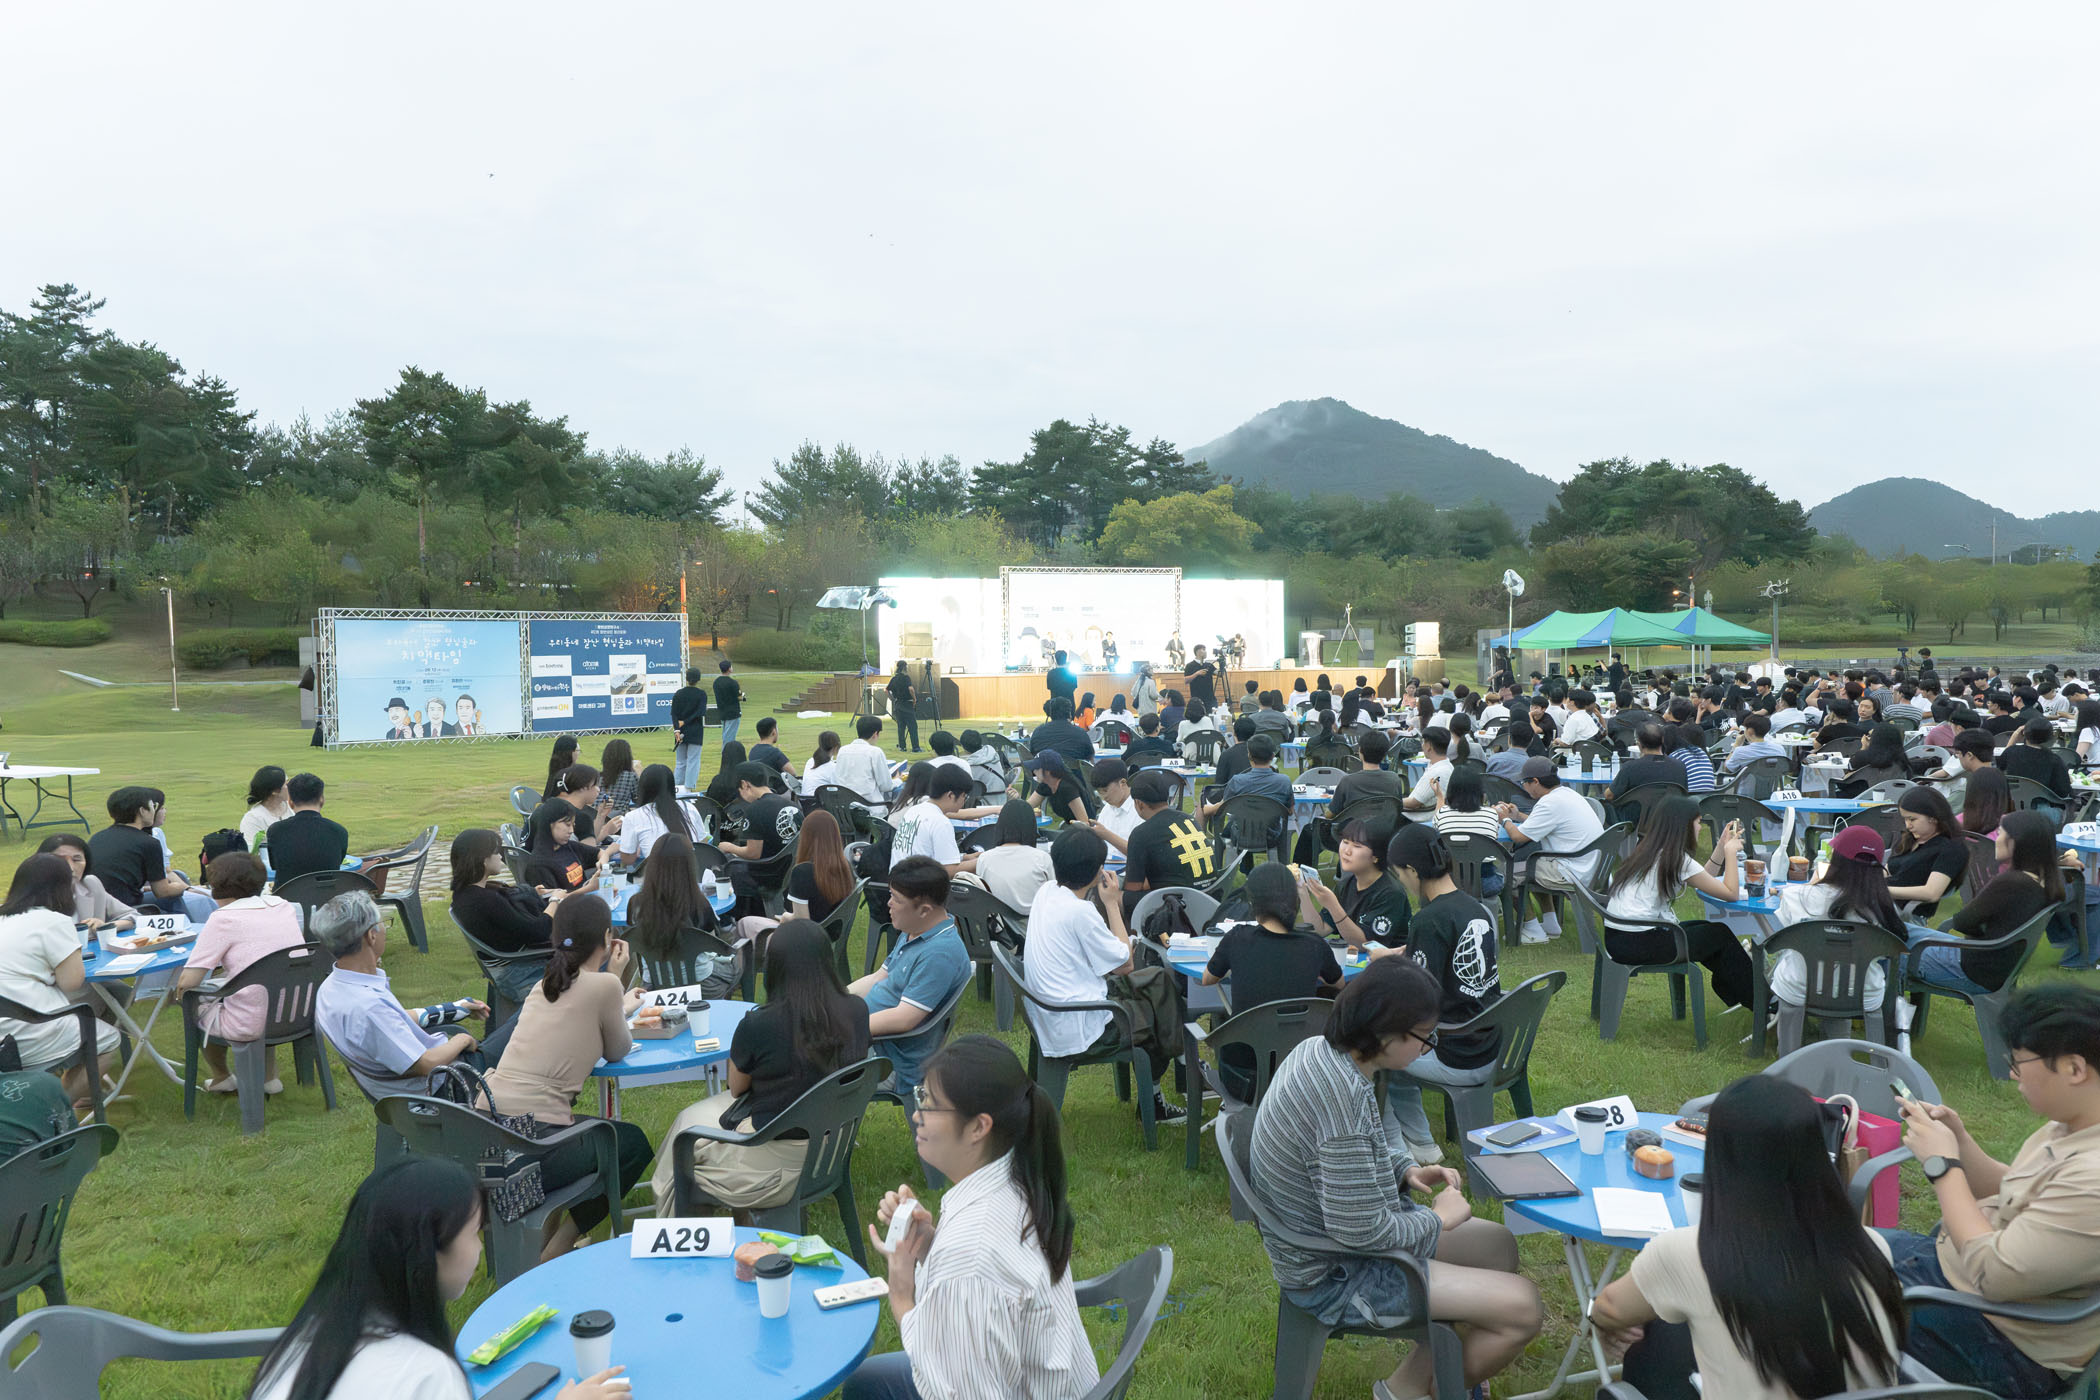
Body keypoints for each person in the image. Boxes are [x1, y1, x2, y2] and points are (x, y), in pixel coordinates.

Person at [1249, 957, 1541, 1397]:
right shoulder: (1340, 1096)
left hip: (1344, 1247)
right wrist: (1437, 1219)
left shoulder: (1324, 1051)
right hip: (1337, 1274)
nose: (1429, 1048)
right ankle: (1407, 1390)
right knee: (1524, 1309)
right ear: (1386, 1033)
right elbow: (1361, 1232)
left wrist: (1404, 1168)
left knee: (1498, 1245)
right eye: (1425, 1037)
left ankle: (1438, 1363)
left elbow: (1352, 1151)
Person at [1591, 1075, 1905, 1400]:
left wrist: (1598, 1318)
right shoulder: (1872, 1246)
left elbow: (1610, 1308)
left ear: (1721, 1157)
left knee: (1654, 1339)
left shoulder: (1690, 1253)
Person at [250, 1157, 630, 1400]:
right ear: (428, 1251)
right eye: (475, 1233)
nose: (479, 1249)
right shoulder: (426, 1375)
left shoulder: (305, 1342)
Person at [846, 1035, 1096, 1400]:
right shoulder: (1016, 1183)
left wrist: (901, 1297)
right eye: (920, 1096)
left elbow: (962, 1390)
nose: (916, 1115)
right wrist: (930, 1244)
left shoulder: (970, 1253)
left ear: (979, 1127)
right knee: (867, 1381)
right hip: (1043, 1381)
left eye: (930, 1105)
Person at [1882, 983, 2100, 1397]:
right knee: (1817, 1250)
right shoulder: (2075, 1123)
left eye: (2019, 1061)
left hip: (2000, 1339)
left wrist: (1943, 1166)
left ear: (2074, 1069)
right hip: (1954, 1276)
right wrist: (1960, 1142)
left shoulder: (2093, 1180)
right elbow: (2017, 1189)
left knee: (1800, 1300)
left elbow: (1992, 1274)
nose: (2013, 1074)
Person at [651, 918, 872, 1218]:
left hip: (775, 1161)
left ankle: (673, 1232)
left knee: (683, 1158)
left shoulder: (759, 1024)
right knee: (687, 1123)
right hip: (832, 1147)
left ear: (774, 967)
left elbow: (737, 1088)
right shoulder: (857, 1011)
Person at [482, 894, 653, 1259]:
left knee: (586, 1132)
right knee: (630, 1145)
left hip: (486, 1131)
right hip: (534, 1142)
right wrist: (616, 978)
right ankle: (556, 1251)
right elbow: (618, 1049)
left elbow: (584, 1008)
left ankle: (531, 1244)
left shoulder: (543, 985)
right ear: (607, 938)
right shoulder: (605, 985)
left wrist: (618, 1002)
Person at [1022, 827, 1185, 1124]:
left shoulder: (1047, 893)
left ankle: (1181, 1058)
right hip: (1079, 1024)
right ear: (1098, 871)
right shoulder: (1078, 912)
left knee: (1157, 980)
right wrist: (1112, 903)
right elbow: (1125, 964)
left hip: (1052, 1010)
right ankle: (1159, 1094)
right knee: (1157, 1015)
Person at [1380, 825, 1503, 1166]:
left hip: (1457, 1053)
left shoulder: (1428, 920)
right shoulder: (1476, 908)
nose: (1402, 882)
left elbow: (1417, 1002)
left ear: (1412, 871)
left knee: (1371, 1051)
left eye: (1399, 873)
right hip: (1490, 1041)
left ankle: (1398, 1148)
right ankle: (1421, 1142)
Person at [312, 891, 509, 1095]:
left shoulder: (331, 989)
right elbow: (426, 1064)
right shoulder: (368, 1007)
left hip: (420, 1085)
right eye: (382, 923)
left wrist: (455, 1008)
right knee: (529, 1013)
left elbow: (393, 1022)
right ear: (371, 936)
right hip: (450, 1085)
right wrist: (462, 1040)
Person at [1200, 861, 1343, 1099]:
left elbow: (1207, 979)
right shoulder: (1315, 945)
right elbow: (1339, 984)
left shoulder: (1237, 938)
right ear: (1295, 901)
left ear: (1252, 903)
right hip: (1299, 1075)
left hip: (1243, 1078)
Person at [1602, 797, 1756, 1010]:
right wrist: (1731, 853)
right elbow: (1731, 894)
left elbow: (1704, 880)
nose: (1700, 828)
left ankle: (1744, 993)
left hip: (1619, 937)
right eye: (1698, 822)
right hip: (1638, 941)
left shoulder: (1650, 850)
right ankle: (1763, 1002)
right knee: (1719, 935)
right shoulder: (1675, 858)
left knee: (1709, 930)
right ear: (1684, 825)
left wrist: (1721, 848)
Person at [175, 852, 306, 1095]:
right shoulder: (281, 906)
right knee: (260, 989)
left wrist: (177, 995)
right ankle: (268, 1078)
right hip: (299, 1009)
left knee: (195, 1002)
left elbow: (189, 981)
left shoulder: (223, 918)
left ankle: (221, 1076)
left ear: (216, 886)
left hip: (252, 1020)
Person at [0, 854, 120, 1110]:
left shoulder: (3, 918)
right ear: (63, 888)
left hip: (8, 1025)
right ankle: (52, 1112)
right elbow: (72, 982)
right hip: (23, 1031)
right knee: (108, 1039)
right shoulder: (55, 921)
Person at [848, 857, 971, 1098]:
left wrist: (841, 1028)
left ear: (924, 910)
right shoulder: (915, 930)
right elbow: (878, 977)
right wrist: (831, 1002)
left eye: (896, 898)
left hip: (888, 1059)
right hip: (868, 1041)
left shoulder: (940, 954)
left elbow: (905, 1018)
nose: (889, 903)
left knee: (791, 1065)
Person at [1911, 811, 2065, 996]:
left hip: (1969, 969)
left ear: (2015, 842)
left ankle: (1887, 1009)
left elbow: (1962, 922)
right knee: (1902, 930)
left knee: (1889, 952)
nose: (1996, 840)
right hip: (1990, 967)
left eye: (2000, 834)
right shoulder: (2046, 882)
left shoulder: (2011, 882)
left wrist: (1979, 934)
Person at [1767, 825, 1906, 1018]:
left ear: (1836, 858)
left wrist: (1811, 886)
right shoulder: (1885, 909)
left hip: (1800, 988)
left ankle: (1787, 1035)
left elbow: (1785, 933)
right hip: (1863, 993)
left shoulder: (1797, 897)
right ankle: (1839, 1035)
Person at [1494, 756, 1605, 945]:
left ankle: (1532, 930)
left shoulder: (1549, 803)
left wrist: (1504, 819)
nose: (1523, 787)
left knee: (1506, 874)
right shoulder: (1566, 794)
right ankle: (1550, 923)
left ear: (1535, 782)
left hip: (1571, 871)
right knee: (1532, 865)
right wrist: (1517, 815)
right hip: (1589, 866)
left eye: (1524, 782)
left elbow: (1518, 837)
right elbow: (1543, 823)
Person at [448, 827, 559, 1001]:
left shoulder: (464, 894)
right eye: (496, 852)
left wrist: (533, 894)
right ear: (483, 860)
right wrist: (555, 901)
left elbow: (508, 918)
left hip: (507, 967)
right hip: (519, 973)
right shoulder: (485, 900)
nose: (500, 856)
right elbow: (539, 931)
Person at [629, 832, 738, 998]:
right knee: (740, 958)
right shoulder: (699, 903)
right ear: (689, 865)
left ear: (652, 864)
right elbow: (714, 944)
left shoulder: (636, 904)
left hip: (654, 986)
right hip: (702, 985)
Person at [1118, 770, 1218, 918]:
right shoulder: (1189, 820)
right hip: (1210, 898)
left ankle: (1128, 933)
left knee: (1115, 897)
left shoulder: (1141, 834)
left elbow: (1133, 888)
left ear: (1139, 803)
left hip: (1178, 905)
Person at [1303, 816, 1412, 950]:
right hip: (1352, 959)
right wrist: (1302, 892)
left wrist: (1333, 905)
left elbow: (1366, 945)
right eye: (1345, 842)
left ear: (1375, 857)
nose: (1347, 851)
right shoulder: (1346, 884)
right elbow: (1320, 930)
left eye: (1357, 846)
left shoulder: (1390, 893)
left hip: (1386, 960)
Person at [89, 785, 195, 912]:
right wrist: (181, 887)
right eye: (153, 806)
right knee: (173, 898)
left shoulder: (97, 837)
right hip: (125, 909)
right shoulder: (148, 843)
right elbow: (162, 891)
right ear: (142, 811)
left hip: (95, 906)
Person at [716, 762, 805, 912]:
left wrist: (729, 847)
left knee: (726, 865)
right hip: (792, 869)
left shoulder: (755, 810)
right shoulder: (792, 805)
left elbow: (753, 853)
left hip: (768, 873)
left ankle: (736, 916)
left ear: (745, 785)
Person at [1886, 786, 1969, 921]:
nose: (1908, 826)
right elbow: (1887, 871)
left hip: (1904, 915)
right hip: (1883, 905)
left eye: (1912, 819)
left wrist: (1882, 891)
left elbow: (1931, 893)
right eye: (1905, 819)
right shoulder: (1910, 839)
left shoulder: (1952, 849)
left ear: (1933, 818)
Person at [35, 831, 134, 933]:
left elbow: (132, 916)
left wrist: (104, 927)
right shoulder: (33, 893)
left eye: (76, 860)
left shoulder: (90, 884)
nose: (70, 868)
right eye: (60, 860)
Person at [888, 764, 976, 876]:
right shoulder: (940, 822)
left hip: (898, 881)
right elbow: (949, 871)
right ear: (951, 795)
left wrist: (964, 857)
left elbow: (925, 852)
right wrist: (983, 860)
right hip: (919, 884)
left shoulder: (914, 810)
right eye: (964, 796)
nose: (964, 801)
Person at [1433, 764, 1507, 895]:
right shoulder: (1491, 814)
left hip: (1450, 882)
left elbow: (1436, 823)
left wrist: (1439, 797)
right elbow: (1494, 839)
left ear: (1451, 790)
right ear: (1480, 790)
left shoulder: (1442, 813)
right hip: (1486, 882)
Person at [974, 799, 1057, 914]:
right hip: (1034, 922)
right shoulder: (1042, 858)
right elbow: (1054, 895)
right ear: (1031, 826)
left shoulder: (984, 859)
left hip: (998, 923)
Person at [267, 773, 352, 885]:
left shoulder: (276, 831)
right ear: (322, 800)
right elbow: (336, 863)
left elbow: (275, 865)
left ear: (290, 802)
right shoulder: (339, 831)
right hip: (326, 894)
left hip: (287, 894)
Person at [786, 809, 857, 925]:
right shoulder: (845, 867)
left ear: (805, 837)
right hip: (832, 932)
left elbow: (801, 923)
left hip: (807, 933)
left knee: (753, 924)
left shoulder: (802, 872)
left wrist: (785, 917)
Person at [1998, 718, 2074, 812]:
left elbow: (1999, 768)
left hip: (2011, 807)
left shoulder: (2011, 752)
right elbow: (2064, 792)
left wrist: (2014, 736)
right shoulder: (2054, 760)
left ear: (2024, 733)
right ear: (2050, 737)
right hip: (2042, 812)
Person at [524, 798, 597, 893]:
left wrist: (602, 864)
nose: (571, 831)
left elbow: (599, 853)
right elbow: (555, 899)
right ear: (550, 824)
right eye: (567, 825)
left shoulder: (568, 846)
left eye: (573, 825)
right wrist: (590, 887)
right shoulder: (539, 865)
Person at [835, 716, 899, 814]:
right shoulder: (875, 752)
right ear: (875, 734)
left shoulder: (842, 751)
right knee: (902, 788)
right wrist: (898, 780)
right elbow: (886, 786)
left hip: (845, 808)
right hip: (870, 808)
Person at [1017, 750, 1098, 827]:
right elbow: (1027, 807)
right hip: (1071, 827)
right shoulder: (1046, 784)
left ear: (1048, 771)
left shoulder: (1067, 789)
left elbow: (1084, 823)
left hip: (1085, 830)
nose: (1034, 772)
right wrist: (1016, 798)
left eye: (1036, 768)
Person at [1832, 722, 1913, 798]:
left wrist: (1863, 748)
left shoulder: (1864, 756)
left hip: (1859, 796)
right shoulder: (1902, 759)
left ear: (1874, 739)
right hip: (1895, 796)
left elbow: (1849, 770)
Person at [1088, 758, 1140, 852]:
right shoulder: (1107, 809)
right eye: (1099, 792)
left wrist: (1107, 835)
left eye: (1105, 790)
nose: (1103, 797)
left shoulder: (1140, 810)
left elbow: (1140, 853)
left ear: (1122, 783)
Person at [671, 666, 709, 790]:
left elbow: (674, 713)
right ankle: (688, 788)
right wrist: (685, 722)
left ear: (686, 678)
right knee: (693, 760)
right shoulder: (701, 694)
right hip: (695, 731)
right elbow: (700, 712)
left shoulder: (678, 693)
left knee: (680, 762)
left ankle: (676, 788)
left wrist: (677, 729)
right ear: (698, 679)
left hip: (680, 731)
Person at [1028, 696, 1096, 765]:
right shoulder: (1080, 733)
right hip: (1073, 771)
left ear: (1051, 713)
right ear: (1069, 714)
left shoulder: (1038, 732)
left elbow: (1032, 754)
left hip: (1044, 770)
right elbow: (1090, 757)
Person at [238, 765, 290, 850]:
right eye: (286, 784)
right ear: (275, 791)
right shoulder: (253, 819)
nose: (291, 786)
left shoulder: (293, 806)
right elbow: (252, 851)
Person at [1721, 711, 1785, 773]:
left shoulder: (1740, 752)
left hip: (1747, 780)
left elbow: (1727, 769)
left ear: (1750, 731)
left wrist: (1736, 745)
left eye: (1745, 728)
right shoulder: (1779, 749)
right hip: (1772, 780)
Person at [701, 740, 749, 814]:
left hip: (719, 819)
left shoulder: (717, 781)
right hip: (742, 818)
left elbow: (709, 803)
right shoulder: (748, 782)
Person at [598, 738, 639, 817]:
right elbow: (640, 799)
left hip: (596, 815)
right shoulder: (630, 776)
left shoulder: (597, 776)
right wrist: (639, 773)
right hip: (616, 818)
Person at [888, 661, 922, 753]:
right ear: (904, 667)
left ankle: (902, 747)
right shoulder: (906, 678)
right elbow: (910, 689)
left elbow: (886, 690)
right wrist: (914, 699)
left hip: (898, 704)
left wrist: (892, 699)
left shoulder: (894, 679)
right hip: (907, 704)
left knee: (901, 727)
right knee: (912, 727)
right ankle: (915, 748)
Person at [802, 729, 846, 797]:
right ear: (837, 746)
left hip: (805, 799)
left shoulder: (810, 761)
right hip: (818, 801)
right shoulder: (833, 768)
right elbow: (840, 789)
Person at [713, 658, 745, 749]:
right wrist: (743, 696)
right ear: (729, 669)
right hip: (733, 713)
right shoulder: (733, 683)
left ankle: (726, 752)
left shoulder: (716, 682)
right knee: (729, 737)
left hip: (722, 712)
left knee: (726, 735)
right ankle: (727, 754)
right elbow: (740, 697)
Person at [541, 735, 580, 799]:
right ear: (569, 753)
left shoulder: (555, 771)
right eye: (578, 750)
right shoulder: (567, 775)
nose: (578, 754)